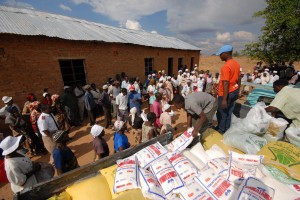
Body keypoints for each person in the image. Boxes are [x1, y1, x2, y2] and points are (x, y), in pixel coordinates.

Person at [215, 45, 241, 134]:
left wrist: (224, 99)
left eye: (221, 54)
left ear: (226, 54)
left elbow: (226, 83)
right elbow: (239, 78)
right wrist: (238, 90)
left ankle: (221, 130)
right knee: (229, 112)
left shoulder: (226, 67)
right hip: (234, 91)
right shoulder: (236, 64)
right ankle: (226, 129)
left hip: (226, 93)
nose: (219, 56)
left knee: (222, 113)